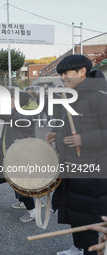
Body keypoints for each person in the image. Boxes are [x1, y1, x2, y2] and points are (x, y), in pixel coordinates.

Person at [46, 55, 107, 255]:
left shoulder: (100, 96)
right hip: (73, 168)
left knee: (90, 222)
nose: (62, 77)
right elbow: (75, 127)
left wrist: (85, 140)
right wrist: (58, 135)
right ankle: (77, 248)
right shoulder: (73, 95)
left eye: (66, 73)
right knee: (76, 215)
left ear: (82, 72)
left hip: (93, 174)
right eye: (60, 74)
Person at [0, 91, 38, 223]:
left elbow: (15, 117)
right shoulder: (17, 112)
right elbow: (4, 115)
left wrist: (0, 104)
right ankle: (24, 202)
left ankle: (32, 211)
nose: (10, 101)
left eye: (13, 99)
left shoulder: (29, 114)